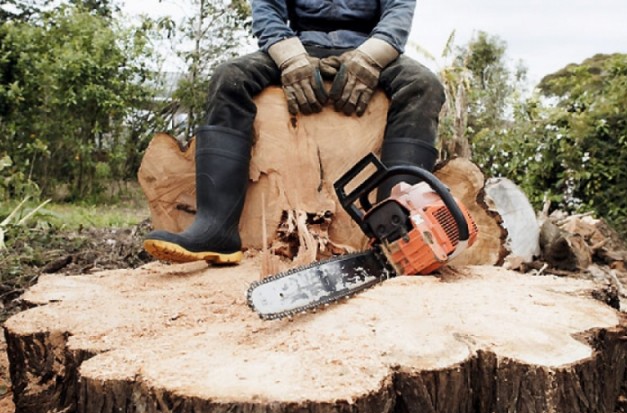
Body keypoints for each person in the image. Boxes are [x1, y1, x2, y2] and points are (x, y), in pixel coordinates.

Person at [143, 0, 445, 265]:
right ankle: (215, 228)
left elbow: (398, 12)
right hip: (299, 47)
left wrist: (369, 57)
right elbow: (268, 10)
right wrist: (290, 57)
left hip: (369, 48)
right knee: (229, 78)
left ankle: (401, 232)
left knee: (422, 86)